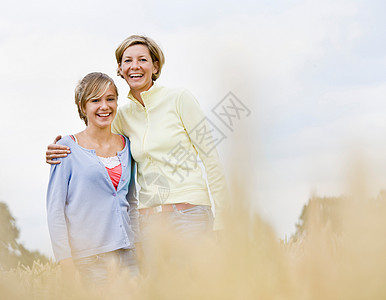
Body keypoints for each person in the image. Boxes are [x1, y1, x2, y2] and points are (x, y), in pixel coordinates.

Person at [46, 35, 229, 263]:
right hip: (149, 224)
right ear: (120, 69)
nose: (135, 66)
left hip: (190, 216)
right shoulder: (121, 116)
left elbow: (212, 160)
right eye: (127, 61)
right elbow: (92, 137)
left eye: (142, 59)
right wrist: (63, 146)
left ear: (155, 66)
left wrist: (223, 221)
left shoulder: (180, 99)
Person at [46, 72, 139, 287]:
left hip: (130, 258)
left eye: (110, 99)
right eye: (95, 100)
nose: (104, 106)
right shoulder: (67, 147)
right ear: (82, 106)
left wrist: (140, 246)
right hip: (90, 261)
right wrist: (66, 264)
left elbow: (131, 202)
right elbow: (55, 211)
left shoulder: (127, 146)